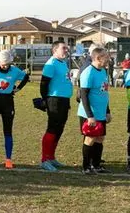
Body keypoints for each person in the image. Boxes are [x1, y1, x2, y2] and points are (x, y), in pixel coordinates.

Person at [0, 50, 29, 169]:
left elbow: (26, 76)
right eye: (3, 64)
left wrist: (18, 88)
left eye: (7, 64)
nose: (5, 66)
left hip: (8, 102)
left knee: (8, 131)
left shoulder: (14, 70)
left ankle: (8, 159)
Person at [40, 41, 73, 172]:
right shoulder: (51, 64)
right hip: (54, 100)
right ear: (55, 50)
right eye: (63, 48)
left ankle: (51, 157)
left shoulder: (63, 63)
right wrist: (45, 100)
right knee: (52, 128)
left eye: (66, 48)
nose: (66, 50)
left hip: (64, 100)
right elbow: (43, 84)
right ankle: (44, 159)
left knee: (59, 128)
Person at [78, 47, 111, 174]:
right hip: (90, 114)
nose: (108, 60)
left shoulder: (103, 71)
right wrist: (90, 116)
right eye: (106, 57)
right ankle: (86, 166)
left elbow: (104, 92)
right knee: (90, 139)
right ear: (98, 58)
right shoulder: (88, 73)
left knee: (100, 138)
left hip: (101, 112)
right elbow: (84, 96)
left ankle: (96, 165)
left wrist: (107, 111)